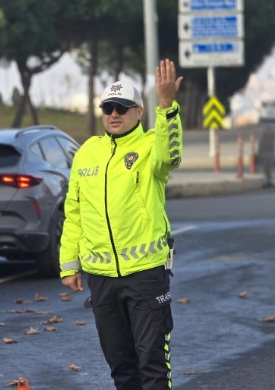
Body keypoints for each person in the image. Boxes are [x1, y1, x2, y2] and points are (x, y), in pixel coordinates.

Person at [59, 59, 183, 390]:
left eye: (123, 108)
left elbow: (171, 155)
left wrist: (168, 106)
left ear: (139, 112)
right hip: (101, 280)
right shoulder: (87, 153)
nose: (114, 114)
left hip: (145, 275)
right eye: (108, 108)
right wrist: (69, 264)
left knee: (152, 363)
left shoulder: (150, 146)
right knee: (122, 366)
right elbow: (75, 211)